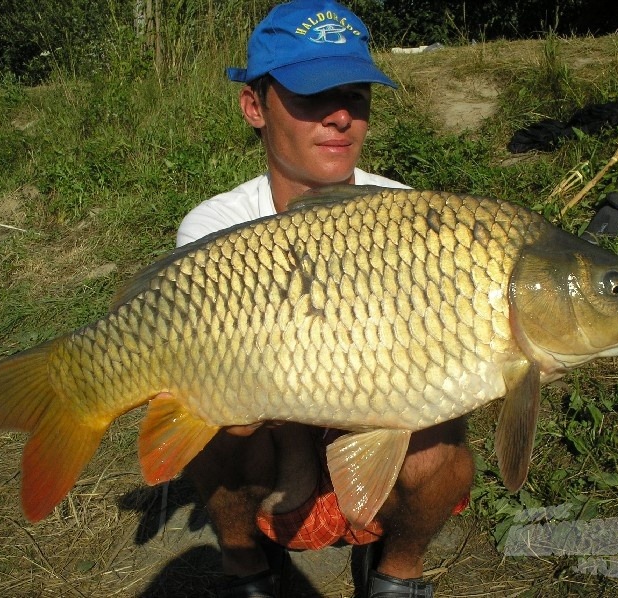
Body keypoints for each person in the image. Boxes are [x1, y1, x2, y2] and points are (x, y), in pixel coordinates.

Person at [176, 2, 474, 597]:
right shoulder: (216, 228)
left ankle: (398, 571)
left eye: (356, 96)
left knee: (440, 440)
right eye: (313, 97)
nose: (340, 117)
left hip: (370, 412)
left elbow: (430, 372)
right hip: (273, 423)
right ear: (254, 107)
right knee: (219, 428)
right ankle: (247, 569)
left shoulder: (409, 215)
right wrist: (294, 443)